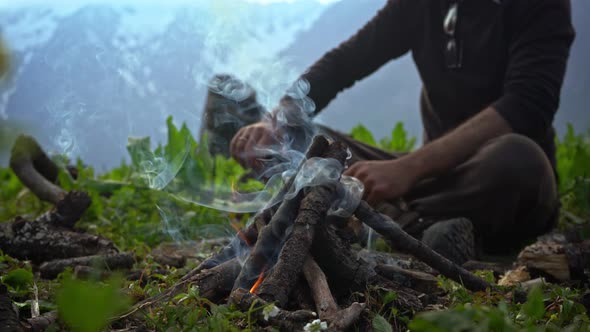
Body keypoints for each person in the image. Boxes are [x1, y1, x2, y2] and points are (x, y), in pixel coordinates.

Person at [219, 0, 575, 263]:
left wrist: (408, 170)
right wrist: (276, 121)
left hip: (484, 182)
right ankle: (414, 227)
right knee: (303, 141)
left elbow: (527, 105)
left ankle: (384, 220)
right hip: (424, 185)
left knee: (520, 159)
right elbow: (345, 63)